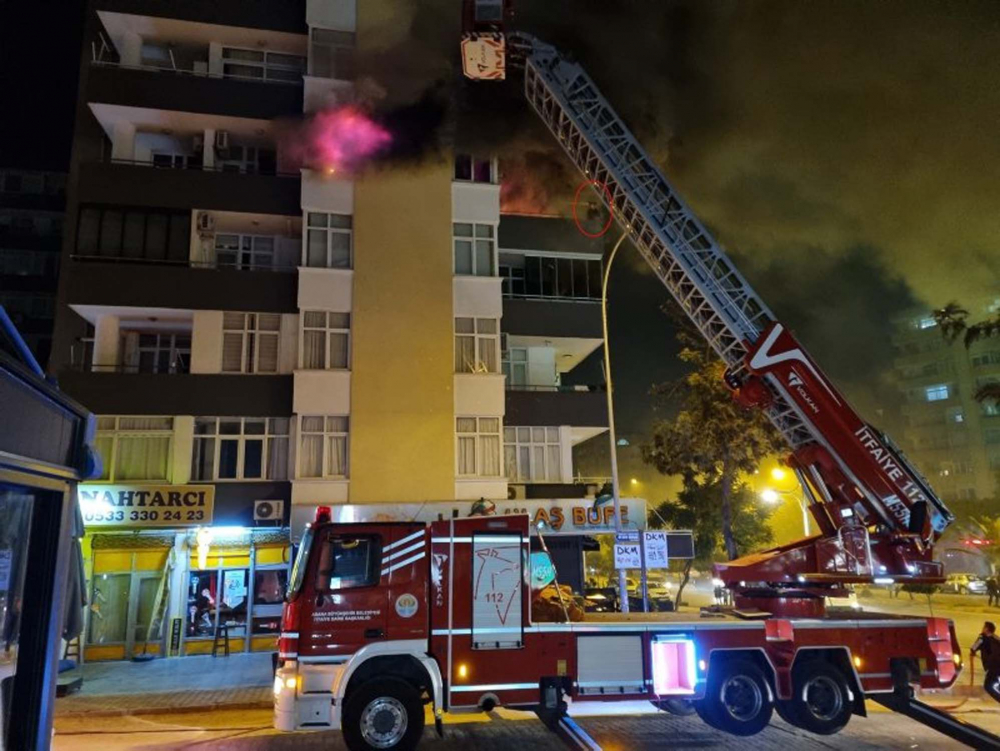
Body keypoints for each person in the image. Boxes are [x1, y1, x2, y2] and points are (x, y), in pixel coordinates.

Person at [970, 621, 1000, 702]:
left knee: (988, 686)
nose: (982, 629)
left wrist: (972, 652)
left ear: (986, 629)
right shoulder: (996, 638)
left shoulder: (982, 638)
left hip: (994, 667)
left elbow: (973, 648)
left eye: (984, 627)